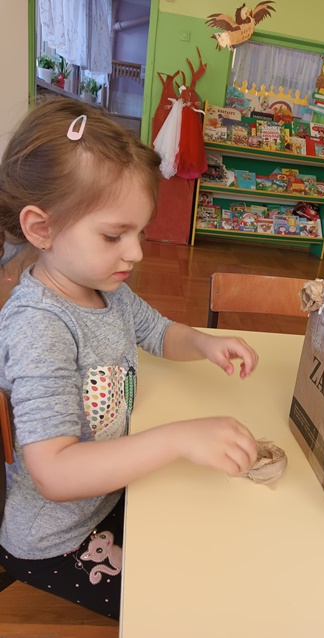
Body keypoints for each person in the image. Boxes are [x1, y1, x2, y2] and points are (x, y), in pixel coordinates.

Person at [0, 98, 258, 620]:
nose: (136, 252)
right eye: (114, 235)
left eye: (139, 231)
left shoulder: (104, 287)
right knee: (184, 609)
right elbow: (54, 472)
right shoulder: (39, 327)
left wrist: (204, 343)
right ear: (41, 229)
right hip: (60, 535)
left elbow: (158, 332)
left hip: (112, 493)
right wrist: (179, 437)